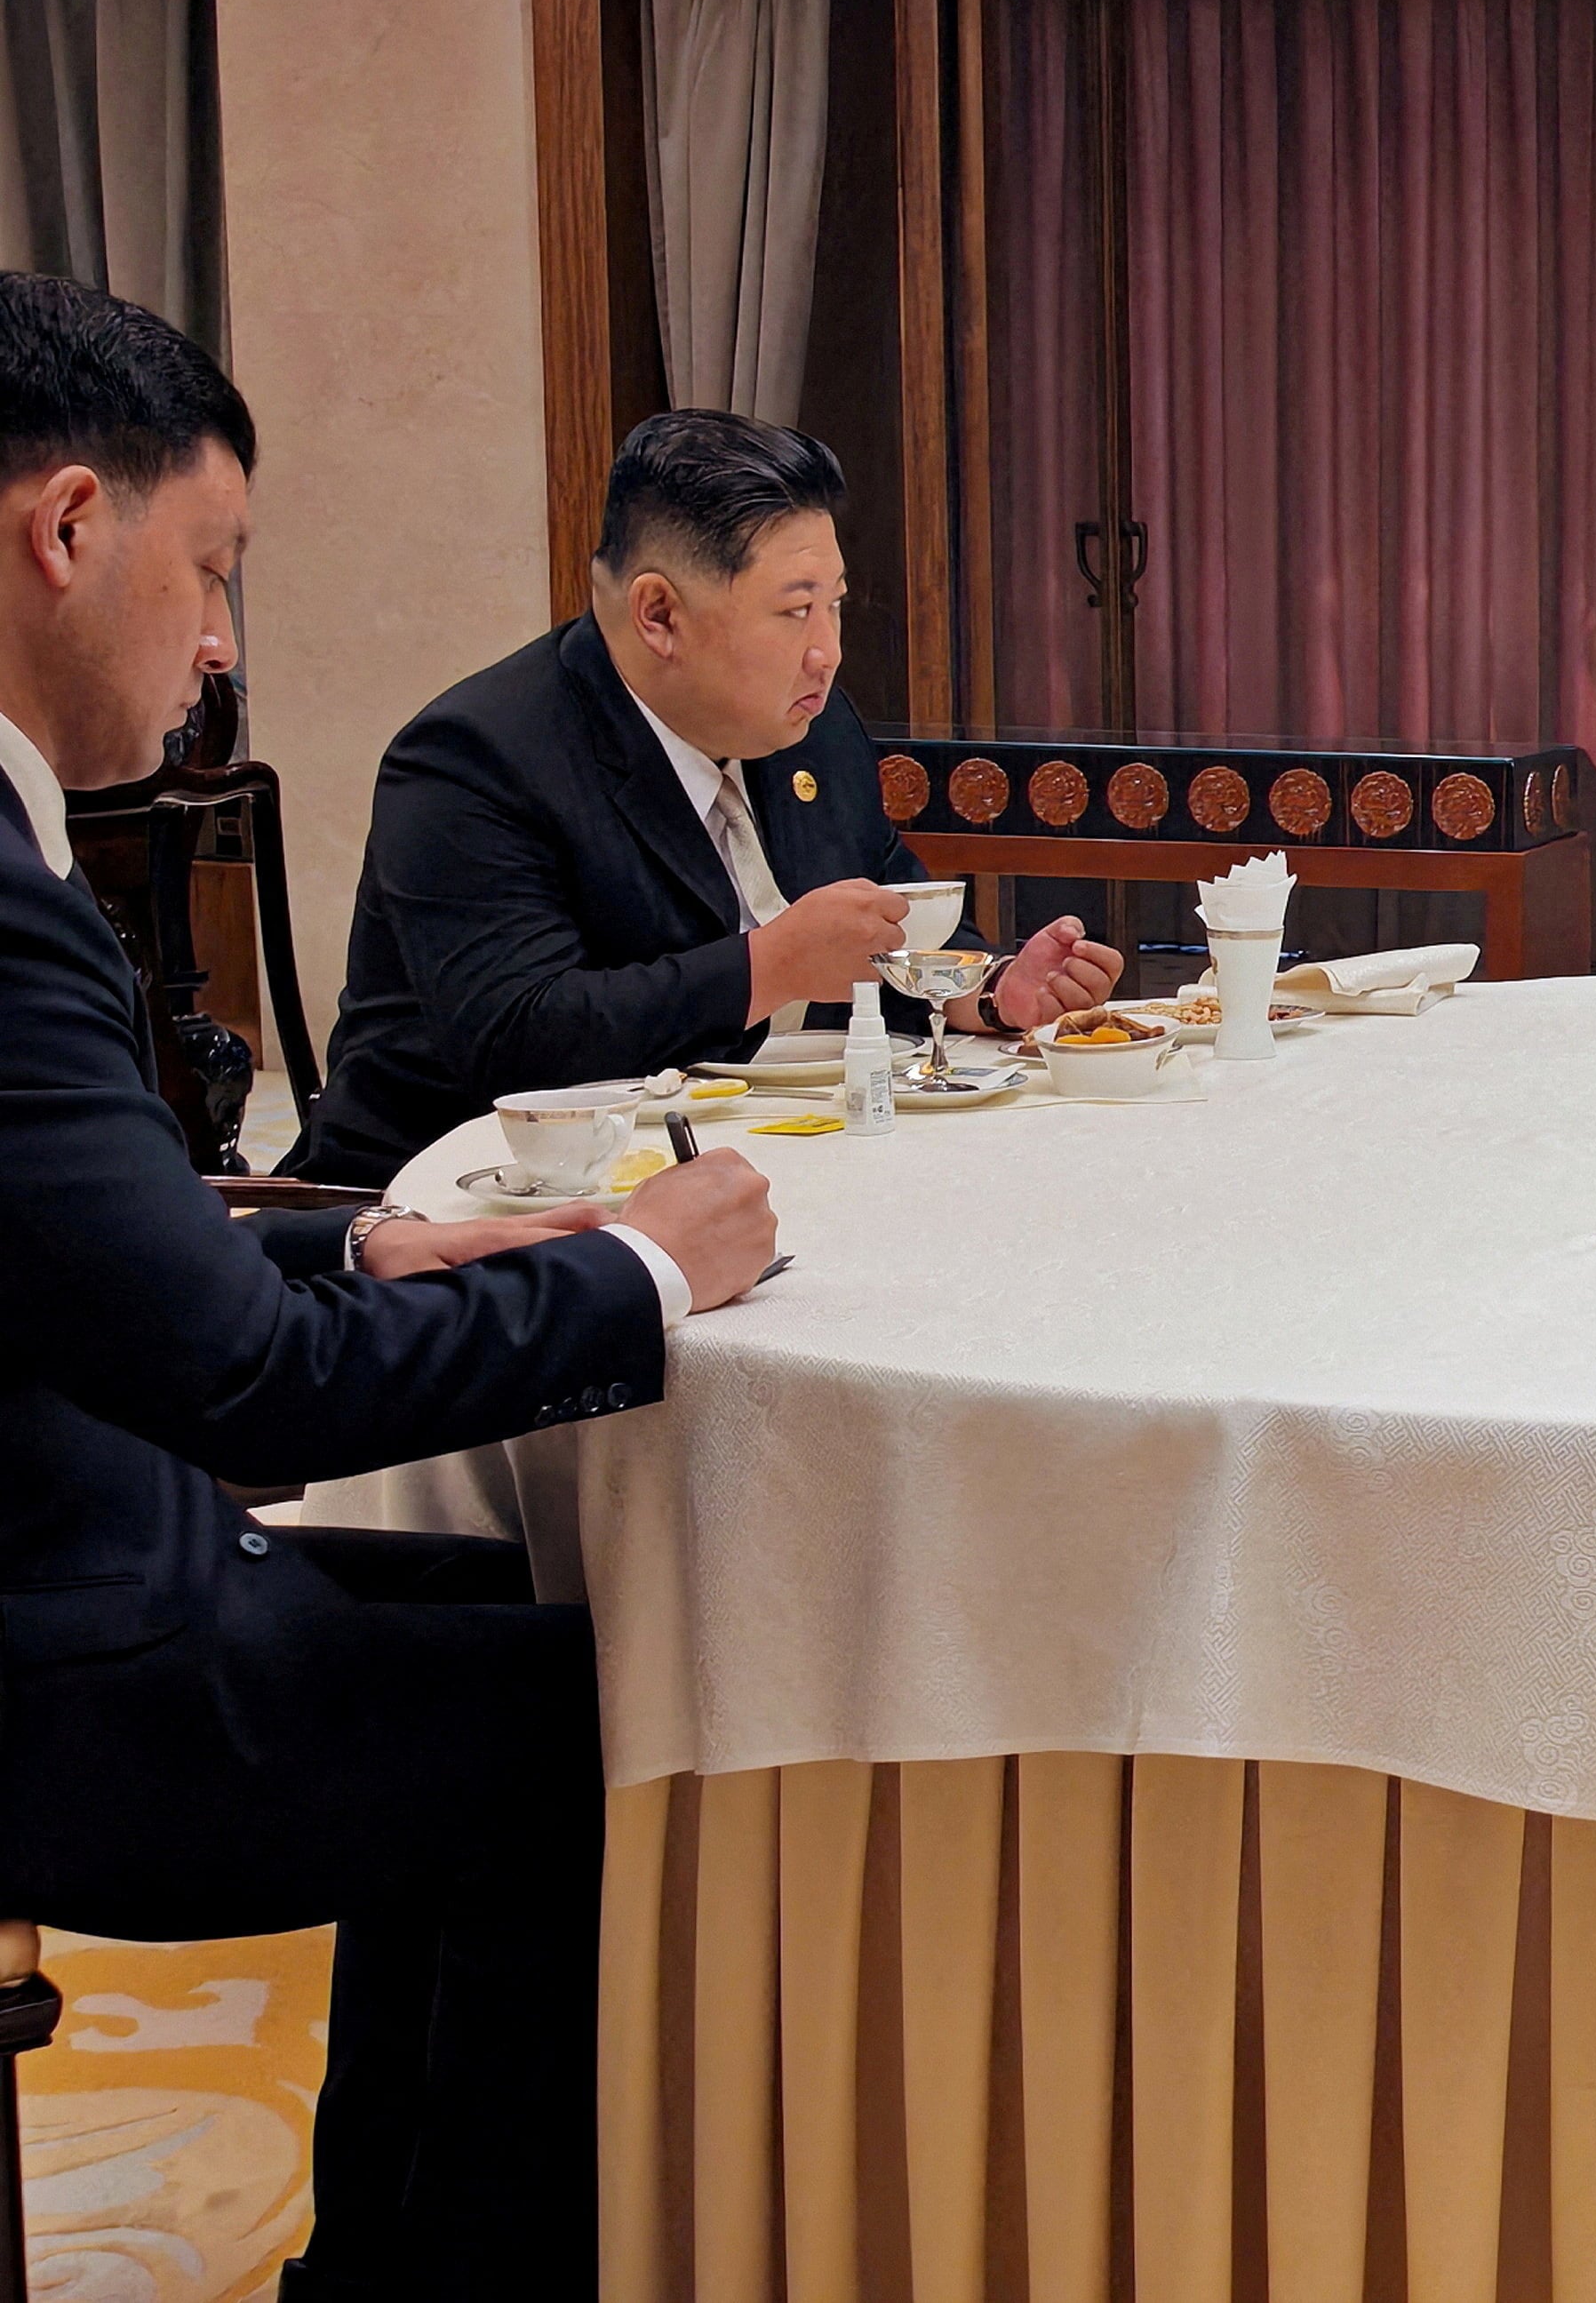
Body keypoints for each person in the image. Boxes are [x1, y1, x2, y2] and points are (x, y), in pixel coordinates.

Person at [0, 271, 780, 2297]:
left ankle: (379, 2257)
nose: (220, 641)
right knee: (619, 1711)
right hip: (61, 1645)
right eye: (212, 568)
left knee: (521, 1603)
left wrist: (360, 1233)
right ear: (69, 527)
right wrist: (641, 1267)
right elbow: (252, 1385)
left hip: (67, 1528)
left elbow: (76, 1234)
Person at [286, 410, 1121, 1186]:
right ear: (658, 614)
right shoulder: (476, 756)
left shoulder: (813, 728)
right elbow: (518, 1039)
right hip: (451, 1201)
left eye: (833, 606)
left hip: (750, 1157)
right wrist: (770, 966)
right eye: (795, 611)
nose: (827, 652)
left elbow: (886, 907)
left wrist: (986, 991)